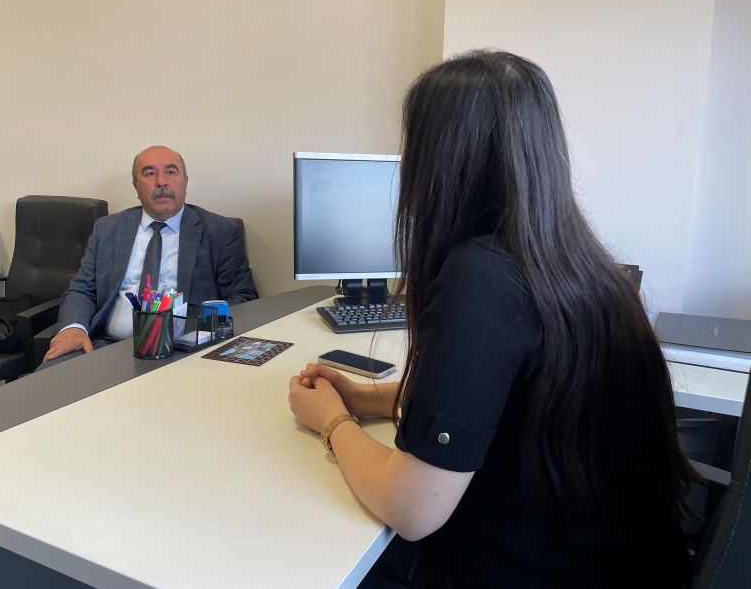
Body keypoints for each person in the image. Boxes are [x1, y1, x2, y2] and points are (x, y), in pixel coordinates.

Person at [287, 51, 695, 588]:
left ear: (441, 160)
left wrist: (331, 422)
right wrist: (367, 399)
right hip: (618, 563)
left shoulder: (483, 276)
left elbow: (412, 510)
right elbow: (512, 408)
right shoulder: (576, 261)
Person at [42, 145, 257, 365]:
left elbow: (243, 297)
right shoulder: (107, 229)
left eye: (170, 172)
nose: (161, 181)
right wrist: (73, 327)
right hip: (106, 346)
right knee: (51, 378)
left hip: (185, 350)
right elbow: (82, 289)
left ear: (185, 182)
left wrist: (202, 335)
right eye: (150, 173)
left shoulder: (220, 231)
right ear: (136, 186)